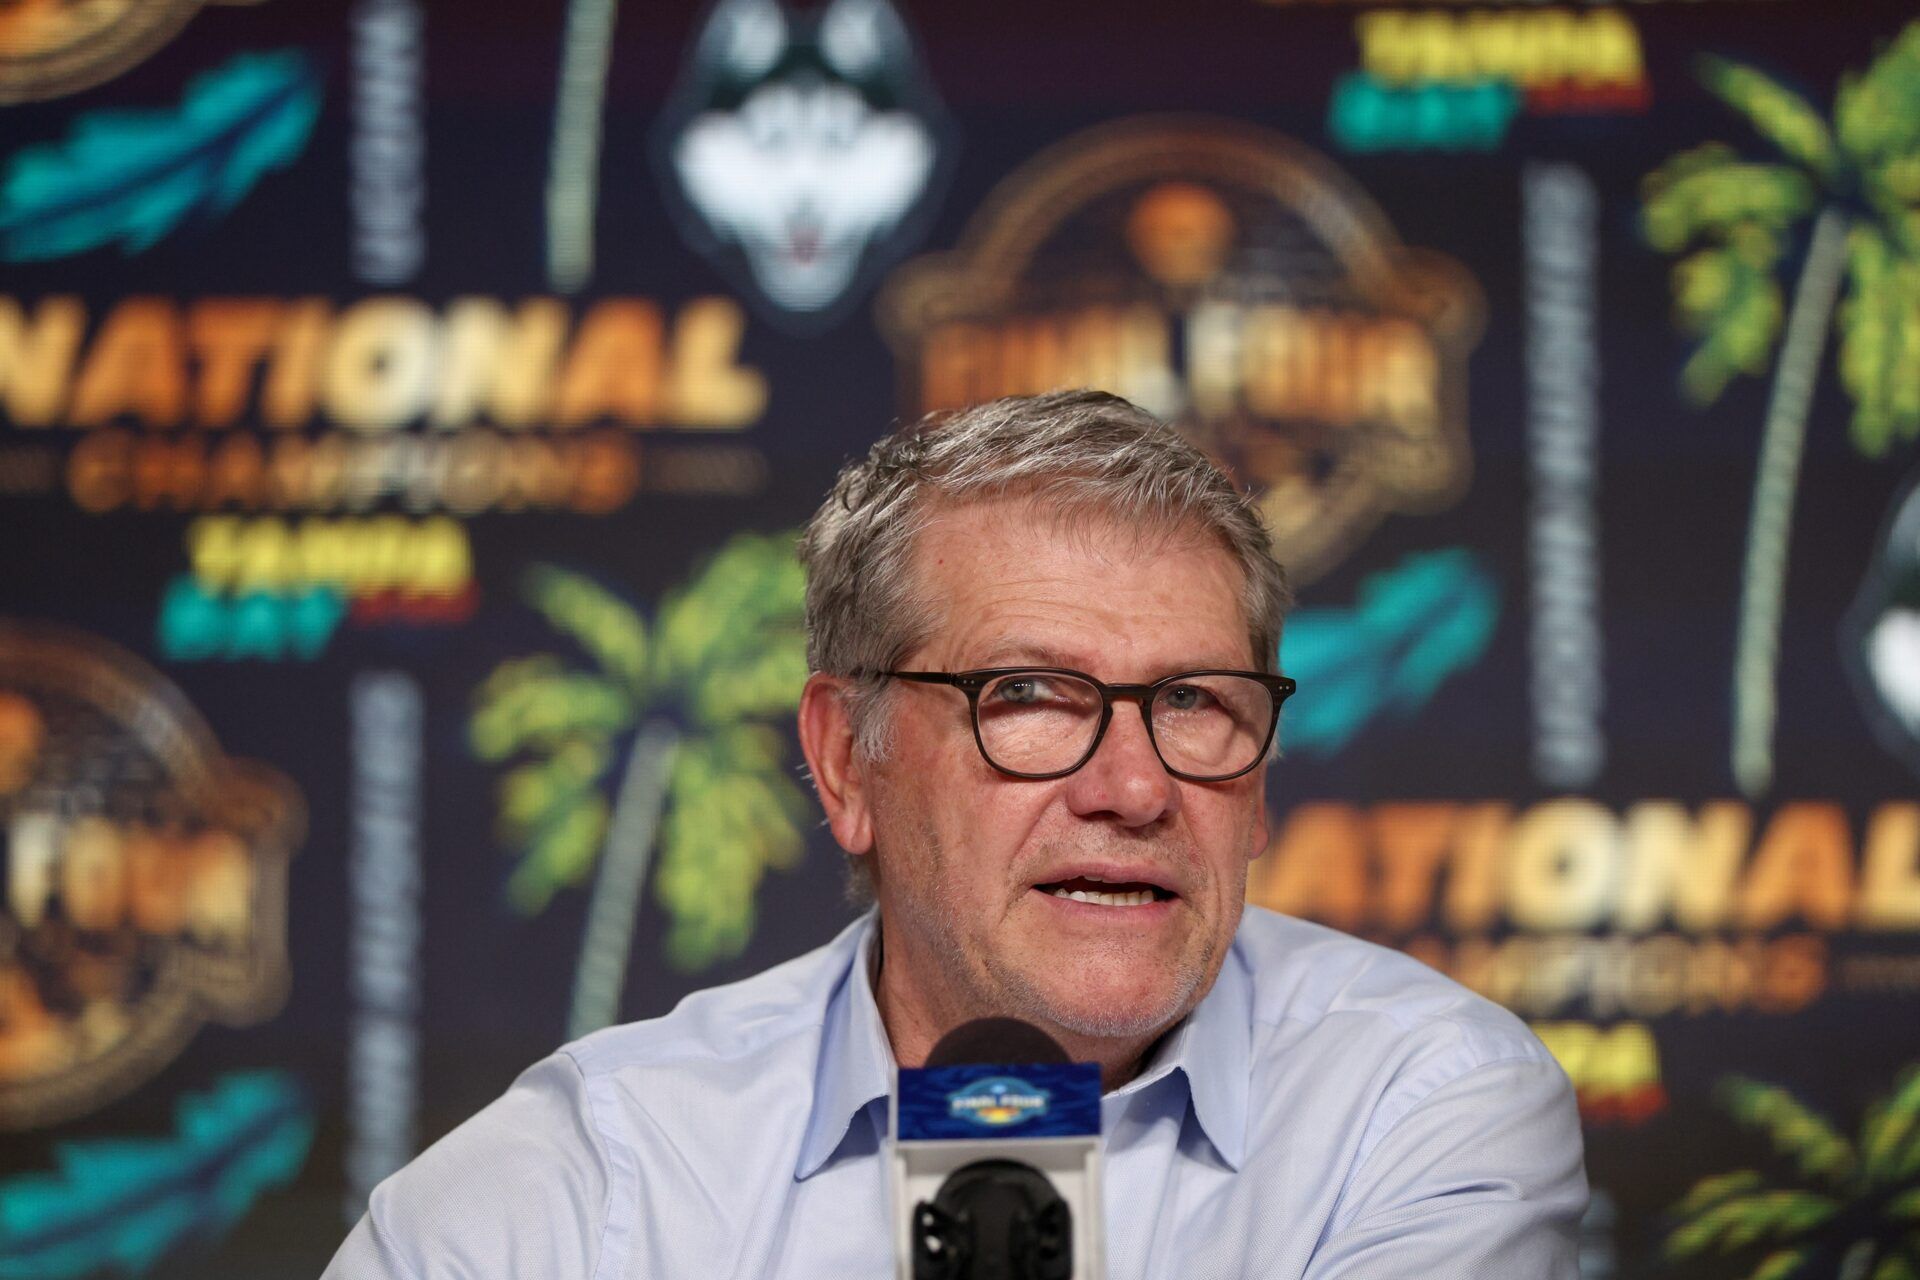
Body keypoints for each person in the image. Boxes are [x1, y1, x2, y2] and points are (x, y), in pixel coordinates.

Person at [324, 390, 1586, 1278]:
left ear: (1257, 785)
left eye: (1196, 702)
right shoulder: (592, 1184)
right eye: (1029, 696)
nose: (1135, 787)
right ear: (845, 758)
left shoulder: (1420, 1105)